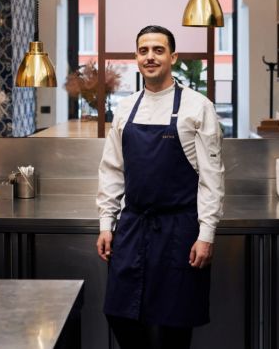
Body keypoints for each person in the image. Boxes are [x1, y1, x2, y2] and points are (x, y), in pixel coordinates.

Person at [96, 25, 225, 349]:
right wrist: (106, 224)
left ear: (173, 56)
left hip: (179, 229)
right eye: (143, 51)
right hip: (133, 224)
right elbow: (112, 169)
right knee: (119, 313)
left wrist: (206, 234)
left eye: (158, 50)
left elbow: (212, 177)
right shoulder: (125, 108)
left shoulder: (198, 107)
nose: (150, 57)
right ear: (136, 57)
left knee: (174, 327)